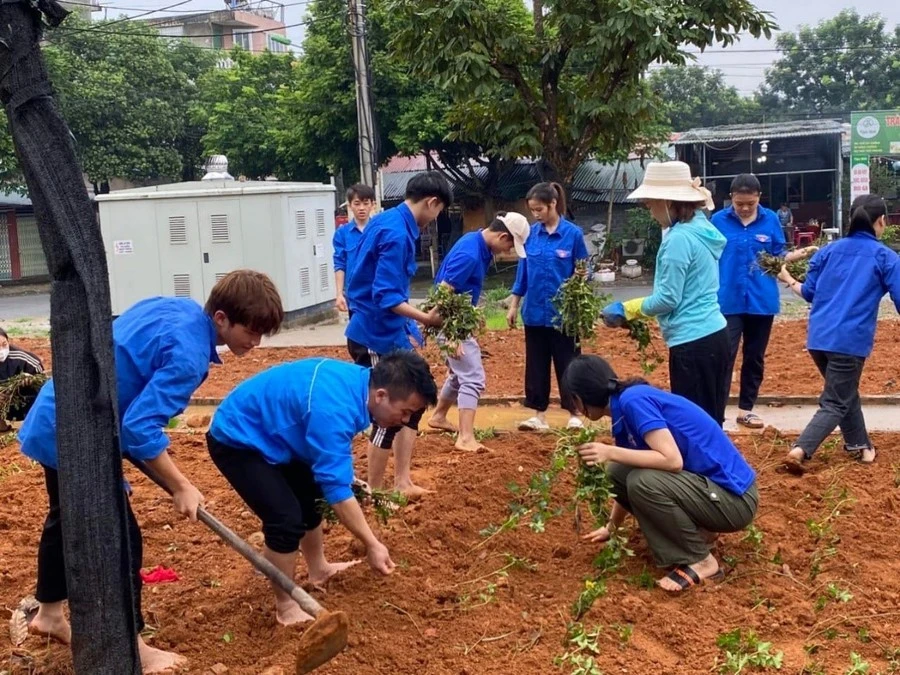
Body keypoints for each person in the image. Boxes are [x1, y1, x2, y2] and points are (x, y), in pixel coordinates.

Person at [17, 270, 283, 673]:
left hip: (65, 415)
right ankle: (132, 645)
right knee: (122, 536)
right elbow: (138, 428)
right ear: (223, 318)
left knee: (63, 518)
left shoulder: (174, 309)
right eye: (253, 330)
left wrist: (175, 482)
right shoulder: (189, 354)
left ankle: (50, 615)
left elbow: (130, 415)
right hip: (77, 433)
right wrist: (181, 485)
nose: (256, 342)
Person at [207, 352, 436, 624]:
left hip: (278, 433)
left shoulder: (359, 385)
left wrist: (345, 478)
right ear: (382, 396)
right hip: (238, 439)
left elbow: (329, 461)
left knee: (310, 494)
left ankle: (319, 569)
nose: (404, 420)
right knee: (285, 520)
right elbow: (337, 493)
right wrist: (372, 544)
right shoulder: (335, 408)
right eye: (406, 412)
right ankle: (286, 606)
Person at [561, 355, 758, 592]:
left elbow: (672, 460)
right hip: (710, 491)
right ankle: (698, 533)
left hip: (735, 501)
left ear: (580, 398)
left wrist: (609, 451)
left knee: (643, 481)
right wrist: (612, 526)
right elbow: (629, 466)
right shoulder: (623, 408)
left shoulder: (633, 401)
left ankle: (702, 560)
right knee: (617, 471)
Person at [345, 171, 450, 498]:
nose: (435, 219)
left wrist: (409, 326)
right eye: (439, 212)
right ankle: (374, 491)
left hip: (389, 329)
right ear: (432, 202)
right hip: (373, 333)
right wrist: (426, 318)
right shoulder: (397, 233)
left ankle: (402, 481)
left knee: (414, 401)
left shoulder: (388, 220)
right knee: (387, 413)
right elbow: (386, 295)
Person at [602, 161, 730, 426]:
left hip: (692, 342)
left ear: (667, 201)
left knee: (694, 424)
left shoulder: (678, 239)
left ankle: (701, 469)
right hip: (715, 335)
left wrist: (628, 309)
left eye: (651, 205)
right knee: (711, 419)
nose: (650, 212)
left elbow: (668, 299)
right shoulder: (703, 228)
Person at [779, 195, 900, 474]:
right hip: (849, 341)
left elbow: (809, 293)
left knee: (844, 392)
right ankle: (800, 450)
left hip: (819, 338)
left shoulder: (827, 252)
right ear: (881, 221)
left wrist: (788, 279)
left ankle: (862, 447)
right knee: (835, 401)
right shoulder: (885, 257)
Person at [711, 174, 817, 429]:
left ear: (759, 197)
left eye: (750, 203)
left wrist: (799, 258)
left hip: (762, 301)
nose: (745, 208)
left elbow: (777, 256)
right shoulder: (717, 221)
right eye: (739, 203)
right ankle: (715, 415)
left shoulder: (770, 219)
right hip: (727, 300)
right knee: (723, 356)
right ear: (731, 199)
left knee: (754, 357)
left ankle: (746, 410)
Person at [427, 212, 530, 450]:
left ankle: (439, 416)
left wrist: (474, 315)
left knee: (458, 373)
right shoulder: (471, 254)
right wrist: (451, 335)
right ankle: (465, 438)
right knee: (473, 377)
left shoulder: (477, 243)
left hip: (458, 320)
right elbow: (443, 293)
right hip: (449, 323)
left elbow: (463, 287)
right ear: (502, 235)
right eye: (509, 245)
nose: (507, 251)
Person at [508, 182, 589, 432]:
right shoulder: (530, 235)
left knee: (568, 363)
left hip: (564, 315)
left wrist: (578, 284)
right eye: (532, 210)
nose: (536, 214)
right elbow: (523, 273)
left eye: (539, 209)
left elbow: (583, 269)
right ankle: (537, 414)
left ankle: (575, 413)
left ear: (553, 204)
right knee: (536, 365)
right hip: (534, 314)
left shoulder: (573, 234)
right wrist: (513, 306)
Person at [334, 183, 376, 317]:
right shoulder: (342, 233)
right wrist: (339, 294)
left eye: (366, 203)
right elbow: (340, 264)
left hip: (378, 294)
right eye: (357, 203)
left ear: (372, 204)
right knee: (357, 336)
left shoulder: (380, 230)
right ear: (350, 206)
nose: (361, 208)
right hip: (355, 298)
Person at [0, 327, 45, 431]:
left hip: (26, 404)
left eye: (4, 344)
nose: (1, 350)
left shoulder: (24, 360)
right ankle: (2, 426)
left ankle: (34, 424)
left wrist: (32, 379)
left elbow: (45, 385)